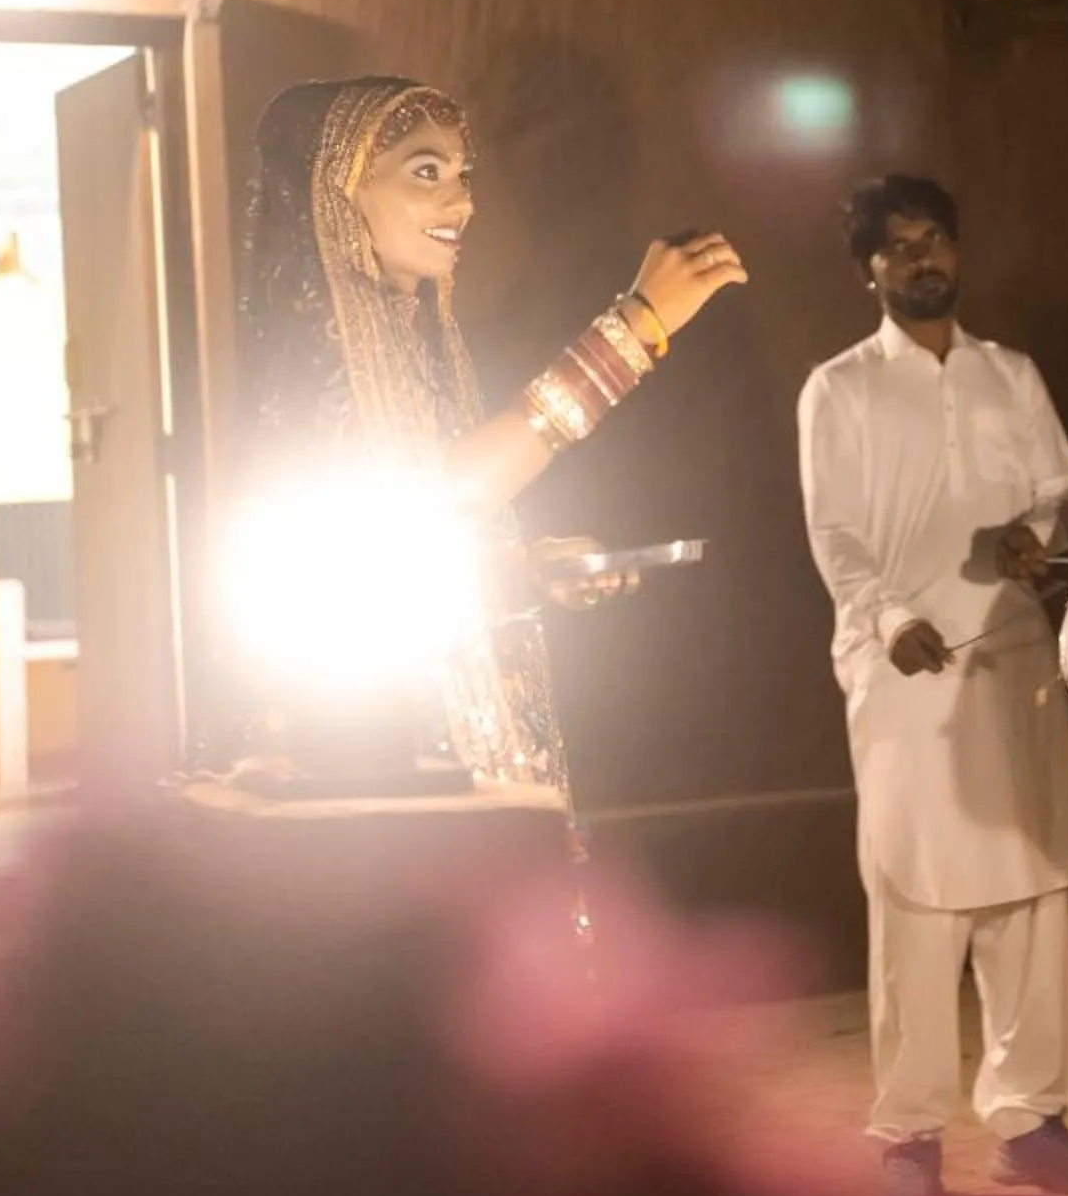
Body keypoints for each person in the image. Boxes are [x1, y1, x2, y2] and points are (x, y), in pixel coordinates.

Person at [225, 76, 746, 788]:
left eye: (463, 175)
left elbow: (402, 553)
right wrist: (635, 328)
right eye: (425, 172)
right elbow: (433, 500)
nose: (461, 202)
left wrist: (526, 567)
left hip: (444, 732)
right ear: (339, 191)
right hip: (362, 752)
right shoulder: (313, 362)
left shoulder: (420, 346)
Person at [796, 174, 1068, 1196]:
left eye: (936, 237)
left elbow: (1061, 486)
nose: (923, 258)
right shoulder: (840, 387)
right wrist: (892, 617)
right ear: (870, 269)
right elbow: (837, 535)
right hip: (905, 669)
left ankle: (1031, 1119)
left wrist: (1047, 535)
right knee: (915, 897)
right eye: (899, 246)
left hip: (1015, 658)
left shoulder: (1010, 373)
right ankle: (908, 1134)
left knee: (1035, 890)